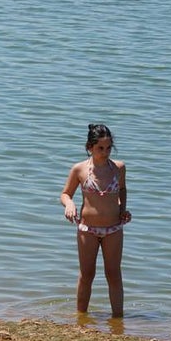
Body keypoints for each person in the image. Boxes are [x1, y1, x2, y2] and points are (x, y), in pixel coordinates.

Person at [59, 123, 131, 318]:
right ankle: (80, 318)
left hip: (113, 229)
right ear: (89, 147)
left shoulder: (118, 168)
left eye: (108, 148)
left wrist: (123, 209)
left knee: (114, 274)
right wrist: (69, 204)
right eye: (100, 148)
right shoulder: (79, 169)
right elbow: (65, 194)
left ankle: (118, 321)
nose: (105, 152)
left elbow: (122, 189)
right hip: (87, 229)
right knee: (87, 275)